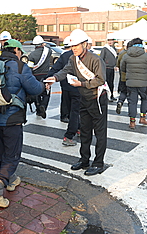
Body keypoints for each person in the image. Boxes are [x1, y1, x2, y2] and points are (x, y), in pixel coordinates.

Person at [0, 39, 44, 208]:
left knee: (4, 152)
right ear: (16, 50)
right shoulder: (20, 67)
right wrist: (43, 85)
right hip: (12, 118)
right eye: (20, 51)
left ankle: (11, 179)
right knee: (13, 155)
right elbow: (35, 89)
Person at [44, 29, 108, 176]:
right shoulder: (73, 59)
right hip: (84, 98)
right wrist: (54, 78)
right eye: (72, 46)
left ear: (85, 44)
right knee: (85, 131)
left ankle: (98, 163)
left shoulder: (95, 59)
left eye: (76, 46)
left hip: (97, 99)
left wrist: (81, 84)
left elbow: (100, 80)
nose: (73, 48)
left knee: (100, 133)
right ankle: (84, 160)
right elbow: (65, 70)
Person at [47, 36, 81, 146]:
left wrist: (48, 78)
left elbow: (55, 69)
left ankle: (78, 127)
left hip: (65, 86)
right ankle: (69, 134)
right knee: (76, 111)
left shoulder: (64, 55)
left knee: (70, 109)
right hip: (78, 87)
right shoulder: (82, 56)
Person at [119, 38, 147, 129]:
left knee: (132, 102)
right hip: (143, 83)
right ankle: (142, 118)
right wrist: (146, 76)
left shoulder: (126, 56)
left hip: (130, 83)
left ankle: (132, 122)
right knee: (145, 99)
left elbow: (122, 68)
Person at [27, 35, 52, 118]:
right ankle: (43, 106)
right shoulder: (48, 52)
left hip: (36, 76)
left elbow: (30, 68)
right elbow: (49, 46)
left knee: (37, 93)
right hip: (46, 75)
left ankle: (38, 110)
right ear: (42, 44)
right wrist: (45, 44)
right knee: (46, 93)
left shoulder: (31, 55)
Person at [99, 36, 118, 102]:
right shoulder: (105, 49)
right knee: (106, 83)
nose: (110, 42)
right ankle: (106, 96)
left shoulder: (114, 49)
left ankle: (111, 95)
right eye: (109, 40)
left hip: (112, 68)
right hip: (106, 68)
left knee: (111, 82)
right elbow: (101, 59)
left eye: (111, 40)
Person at [115, 40, 129, 114]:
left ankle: (120, 101)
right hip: (131, 77)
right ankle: (131, 109)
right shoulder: (131, 54)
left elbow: (117, 63)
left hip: (122, 76)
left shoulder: (121, 53)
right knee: (131, 93)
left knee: (123, 92)